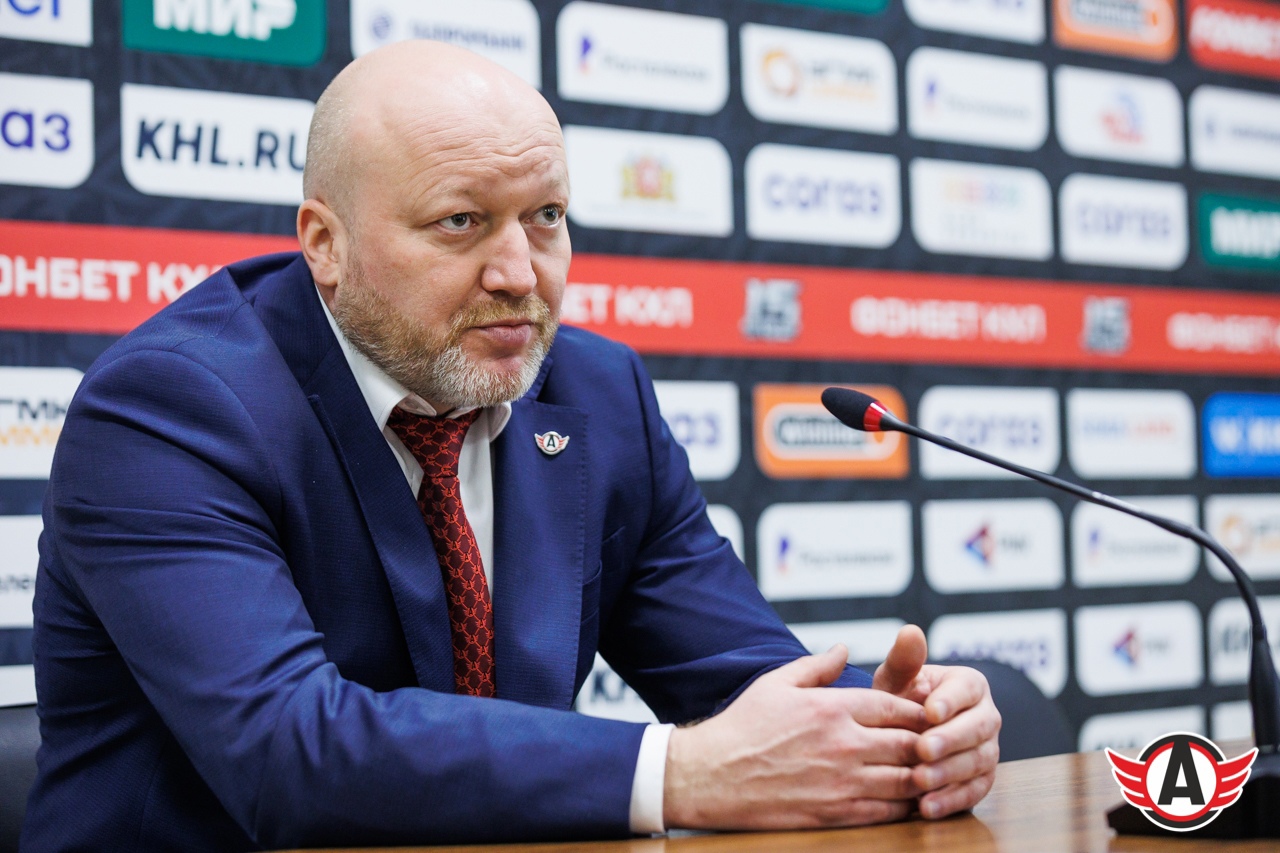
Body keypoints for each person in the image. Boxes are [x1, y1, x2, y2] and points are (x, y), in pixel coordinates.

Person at [23, 42, 999, 850]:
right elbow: (289, 751)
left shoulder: (596, 392)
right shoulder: (171, 409)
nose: (518, 273)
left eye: (546, 218)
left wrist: (901, 726)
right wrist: (678, 772)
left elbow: (741, 679)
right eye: (460, 222)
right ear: (324, 243)